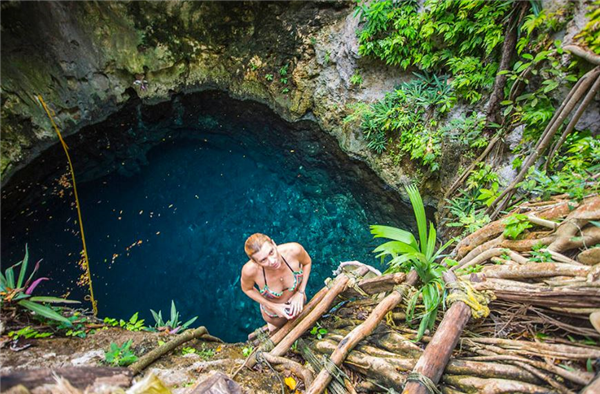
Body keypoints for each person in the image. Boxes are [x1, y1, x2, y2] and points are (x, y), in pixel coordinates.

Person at [241, 233, 312, 332]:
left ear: (274, 244)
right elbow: (247, 288)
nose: (272, 261)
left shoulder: (294, 250)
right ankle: (271, 326)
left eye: (271, 252)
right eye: (263, 260)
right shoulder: (250, 271)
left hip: (299, 303)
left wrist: (300, 291)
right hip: (275, 316)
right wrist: (273, 306)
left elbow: (307, 262)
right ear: (255, 262)